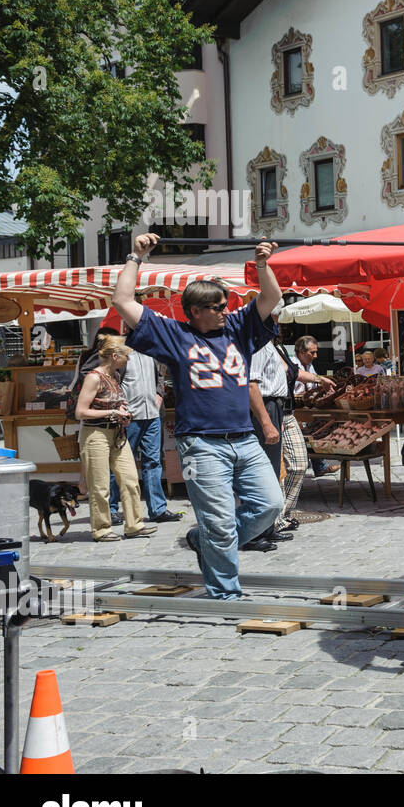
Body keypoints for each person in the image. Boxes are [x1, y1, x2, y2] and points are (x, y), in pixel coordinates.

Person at [113, 233, 284, 601]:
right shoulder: (174, 334)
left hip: (244, 438)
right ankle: (225, 594)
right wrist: (135, 257)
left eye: (226, 304)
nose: (226, 309)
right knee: (219, 523)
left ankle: (202, 539)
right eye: (218, 306)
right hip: (202, 445)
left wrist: (262, 265)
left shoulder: (239, 328)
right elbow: (122, 300)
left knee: (271, 505)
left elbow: (271, 298)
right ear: (195, 311)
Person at [250, 330, 334, 546]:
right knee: (273, 469)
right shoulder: (257, 344)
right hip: (269, 409)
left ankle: (282, 514)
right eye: (273, 322)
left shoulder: (275, 347)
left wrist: (319, 379)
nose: (278, 328)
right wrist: (267, 421)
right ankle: (270, 522)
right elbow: (251, 385)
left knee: (299, 464)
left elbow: (294, 372)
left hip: (286, 411)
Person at [73, 336, 156, 542]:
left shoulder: (115, 375)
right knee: (100, 486)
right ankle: (101, 529)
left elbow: (111, 404)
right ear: (115, 356)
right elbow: (80, 412)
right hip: (95, 435)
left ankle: (134, 525)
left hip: (117, 434)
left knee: (130, 480)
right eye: (126, 355)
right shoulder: (94, 377)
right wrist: (112, 414)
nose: (128, 359)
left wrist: (121, 413)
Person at [122, 344, 183, 523]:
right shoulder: (121, 350)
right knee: (122, 463)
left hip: (152, 414)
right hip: (129, 416)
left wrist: (159, 393)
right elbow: (111, 377)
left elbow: (160, 376)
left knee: (153, 462)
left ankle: (158, 509)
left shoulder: (151, 349)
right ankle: (113, 508)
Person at [293, 335, 339, 477]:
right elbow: (299, 379)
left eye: (316, 352)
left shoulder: (309, 365)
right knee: (303, 436)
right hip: (294, 407)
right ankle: (301, 469)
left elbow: (313, 385)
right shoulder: (292, 363)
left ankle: (320, 466)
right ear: (301, 352)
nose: (315, 355)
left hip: (308, 406)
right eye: (312, 352)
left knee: (316, 431)